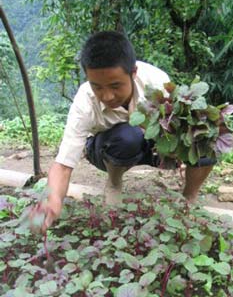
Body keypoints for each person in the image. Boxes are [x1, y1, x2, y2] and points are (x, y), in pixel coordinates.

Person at [36, 31, 215, 232]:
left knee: (204, 141)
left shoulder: (157, 82)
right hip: (107, 149)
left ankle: (189, 197)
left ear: (133, 72)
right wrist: (53, 200)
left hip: (156, 144)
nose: (107, 95)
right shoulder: (84, 102)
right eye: (97, 86)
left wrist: (178, 149)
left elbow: (179, 125)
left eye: (115, 85)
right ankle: (114, 183)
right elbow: (63, 165)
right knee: (127, 136)